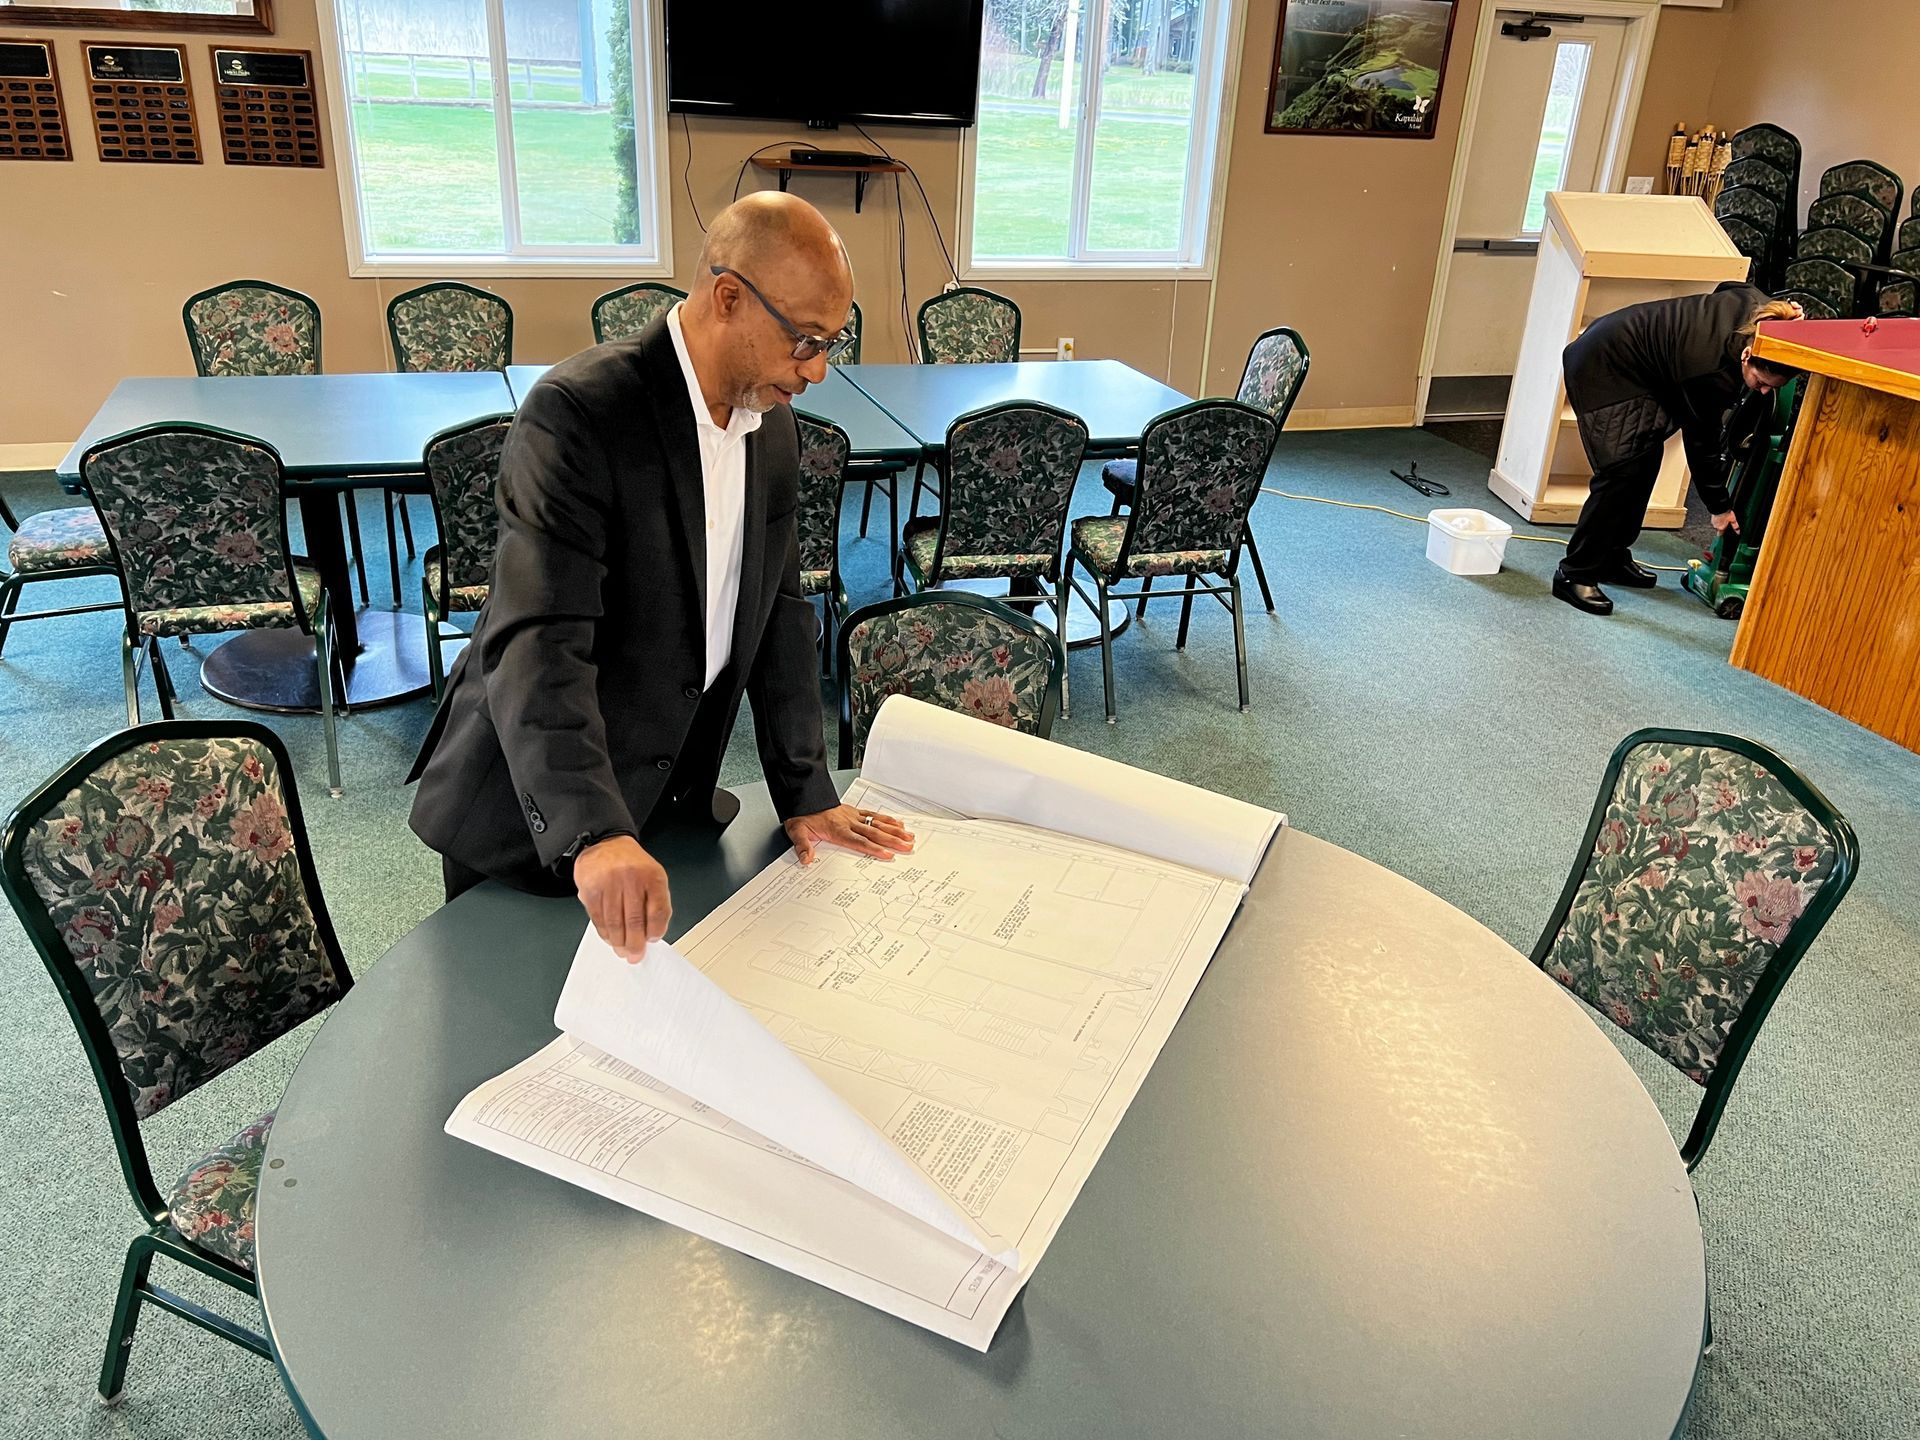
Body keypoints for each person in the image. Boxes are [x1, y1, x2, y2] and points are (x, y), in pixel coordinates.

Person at [408, 192, 913, 959]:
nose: (816, 371)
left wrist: (806, 792)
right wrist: (595, 832)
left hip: (664, 809)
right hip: (531, 819)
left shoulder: (771, 429)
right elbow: (537, 644)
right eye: (805, 340)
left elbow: (778, 613)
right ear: (729, 298)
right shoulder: (579, 413)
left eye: (830, 343)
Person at [1554, 284, 1803, 616]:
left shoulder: (1762, 313)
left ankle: (1611, 556)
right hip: (1606, 361)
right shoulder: (1710, 370)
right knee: (1622, 471)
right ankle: (1574, 573)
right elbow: (1702, 441)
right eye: (1760, 382)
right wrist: (1718, 507)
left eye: (1771, 389)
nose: (1761, 392)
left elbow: (1730, 288)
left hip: (1644, 364)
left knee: (1645, 460)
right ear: (1746, 356)